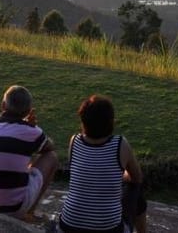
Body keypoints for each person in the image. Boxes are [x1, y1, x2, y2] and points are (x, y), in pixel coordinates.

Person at [0, 85, 58, 219]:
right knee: (52, 157)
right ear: (29, 111)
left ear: (3, 105)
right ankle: (29, 212)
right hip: (11, 208)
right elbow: (49, 148)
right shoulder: (32, 132)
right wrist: (33, 126)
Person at [60, 95, 147, 233]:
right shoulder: (120, 144)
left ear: (83, 121)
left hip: (68, 225)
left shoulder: (74, 141)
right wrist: (121, 176)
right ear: (111, 121)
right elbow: (137, 177)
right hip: (108, 229)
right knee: (136, 187)